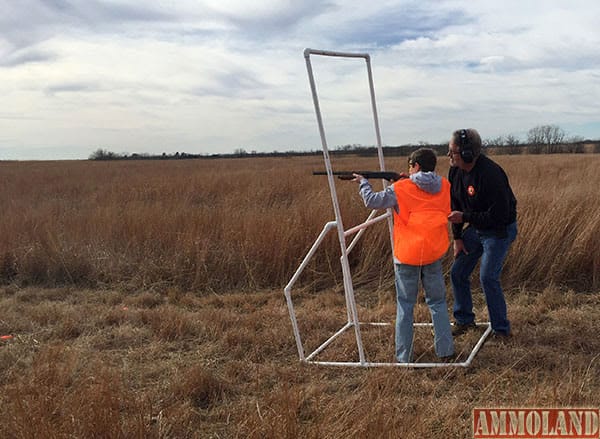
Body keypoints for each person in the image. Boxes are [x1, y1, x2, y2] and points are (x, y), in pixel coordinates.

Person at [353, 148, 454, 363]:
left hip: (408, 254)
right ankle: (445, 351)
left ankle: (404, 357)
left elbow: (371, 200)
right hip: (434, 251)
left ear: (415, 166)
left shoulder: (400, 188)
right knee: (437, 303)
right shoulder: (445, 185)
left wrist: (363, 182)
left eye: (410, 166)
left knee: (406, 305)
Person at [447, 129, 517, 337]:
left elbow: (499, 216)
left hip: (498, 231)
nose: (449, 156)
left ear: (468, 154)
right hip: (476, 229)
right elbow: (455, 206)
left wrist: (465, 218)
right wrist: (458, 238)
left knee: (488, 278)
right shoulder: (455, 171)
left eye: (453, 152)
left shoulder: (491, 174)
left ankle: (501, 330)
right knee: (457, 273)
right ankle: (464, 320)